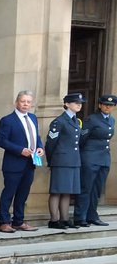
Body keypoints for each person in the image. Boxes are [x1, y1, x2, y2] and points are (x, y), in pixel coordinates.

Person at [0, 90, 44, 233]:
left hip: (30, 163)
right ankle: (4, 222)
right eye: (23, 101)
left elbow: (36, 137)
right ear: (16, 102)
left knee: (23, 194)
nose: (25, 104)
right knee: (9, 193)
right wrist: (20, 150)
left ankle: (18, 221)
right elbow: (2, 141)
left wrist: (40, 147)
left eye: (28, 102)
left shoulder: (33, 118)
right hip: (13, 163)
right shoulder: (7, 120)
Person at [44, 92, 85, 230]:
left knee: (67, 191)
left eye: (80, 103)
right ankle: (54, 220)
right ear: (67, 104)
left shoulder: (76, 121)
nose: (79, 105)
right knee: (57, 191)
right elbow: (50, 144)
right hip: (61, 161)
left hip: (73, 161)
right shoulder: (59, 121)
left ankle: (65, 219)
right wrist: (52, 161)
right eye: (75, 102)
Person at [75, 94, 114, 227]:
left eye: (111, 105)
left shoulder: (111, 120)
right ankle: (80, 217)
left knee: (97, 189)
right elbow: (82, 139)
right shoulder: (92, 119)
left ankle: (92, 215)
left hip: (104, 158)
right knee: (86, 187)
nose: (108, 107)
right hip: (90, 157)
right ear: (100, 105)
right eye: (105, 105)